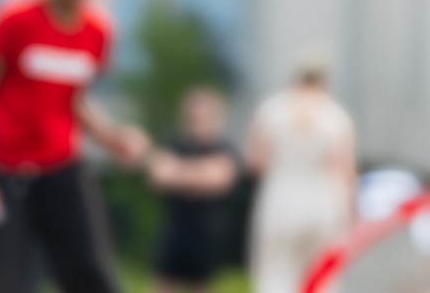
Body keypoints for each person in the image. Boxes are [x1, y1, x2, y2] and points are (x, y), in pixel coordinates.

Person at [0, 0, 150, 293]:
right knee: (5, 283)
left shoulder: (98, 30)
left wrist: (113, 138)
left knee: (92, 276)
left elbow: (72, 99)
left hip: (61, 168)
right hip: (3, 171)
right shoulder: (14, 19)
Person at [246, 57, 356, 293]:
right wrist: (351, 213)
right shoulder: (336, 115)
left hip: (280, 199)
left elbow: (257, 162)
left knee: (276, 274)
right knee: (322, 279)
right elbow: (343, 169)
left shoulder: (272, 110)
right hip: (323, 201)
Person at [148, 87, 239, 293]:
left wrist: (179, 172)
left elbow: (218, 179)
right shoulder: (175, 144)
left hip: (207, 232)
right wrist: (201, 172)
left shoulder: (223, 147)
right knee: (162, 283)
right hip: (175, 228)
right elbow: (158, 175)